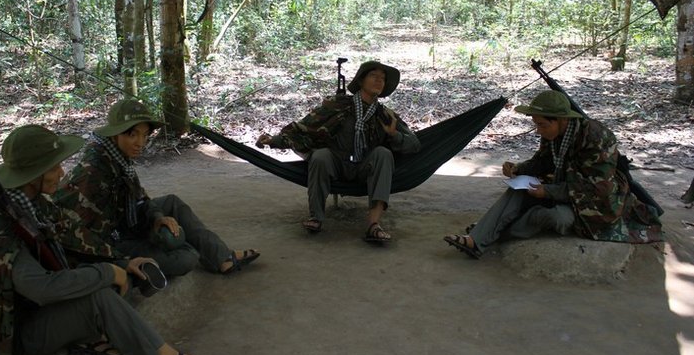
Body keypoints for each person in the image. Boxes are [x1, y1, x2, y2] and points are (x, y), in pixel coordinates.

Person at [0, 124, 215, 355]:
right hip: (5, 335)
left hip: (30, 312)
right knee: (100, 295)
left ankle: (90, 340)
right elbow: (40, 288)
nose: (62, 173)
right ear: (33, 175)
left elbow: (75, 238)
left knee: (120, 281)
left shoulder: (32, 204)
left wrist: (122, 263)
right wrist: (108, 273)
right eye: (54, 167)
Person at [443, 90, 664, 259]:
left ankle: (492, 231)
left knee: (557, 218)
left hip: (595, 204)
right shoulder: (554, 135)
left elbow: (597, 190)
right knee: (518, 190)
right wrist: (519, 169)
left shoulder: (597, 138)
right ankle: (476, 241)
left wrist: (548, 191)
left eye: (542, 125)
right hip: (562, 187)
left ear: (561, 120)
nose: (538, 130)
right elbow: (543, 162)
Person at [54, 98, 259, 277]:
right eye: (133, 135)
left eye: (145, 135)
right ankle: (182, 251)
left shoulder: (117, 157)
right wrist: (120, 262)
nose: (140, 142)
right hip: (109, 240)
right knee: (185, 256)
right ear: (116, 134)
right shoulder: (93, 172)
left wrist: (158, 218)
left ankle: (223, 258)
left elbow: (139, 197)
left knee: (171, 203)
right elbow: (73, 233)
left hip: (124, 219)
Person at [256, 60, 420, 242]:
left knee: (384, 154)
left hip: (365, 168)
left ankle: (374, 224)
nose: (379, 81)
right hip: (337, 163)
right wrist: (273, 140)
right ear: (360, 81)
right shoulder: (337, 105)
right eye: (373, 76)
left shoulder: (386, 115)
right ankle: (316, 217)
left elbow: (414, 144)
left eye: (382, 78)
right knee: (320, 156)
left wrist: (393, 134)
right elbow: (305, 128)